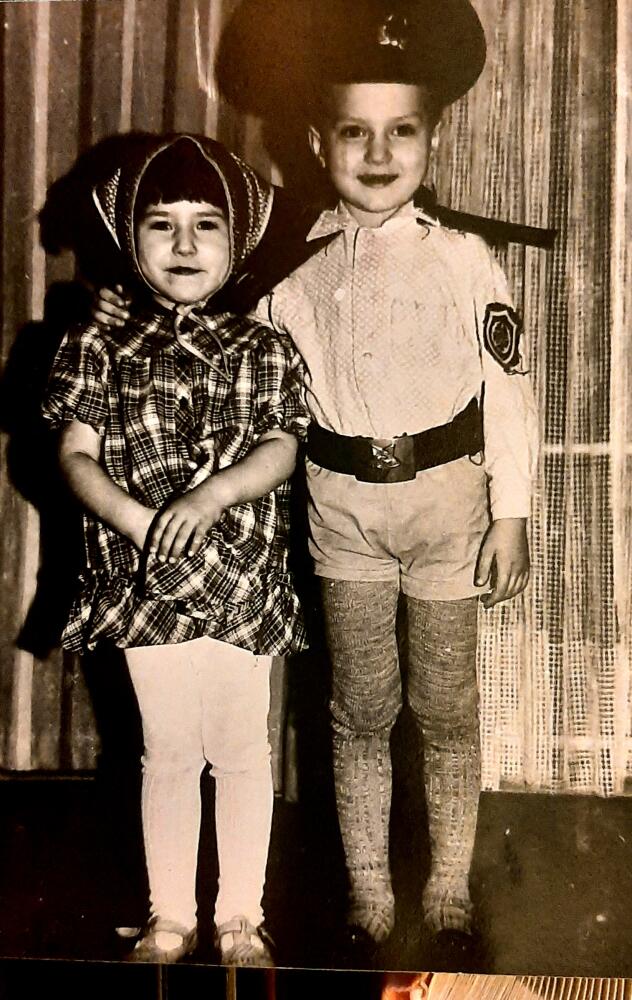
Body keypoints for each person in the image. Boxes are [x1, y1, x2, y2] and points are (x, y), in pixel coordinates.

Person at [93, 0, 540, 966]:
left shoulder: (466, 259)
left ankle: (450, 885)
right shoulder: (287, 269)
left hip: (449, 506)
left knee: (447, 706)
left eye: (402, 131)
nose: (378, 155)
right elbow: (227, 364)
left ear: (433, 137)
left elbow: (508, 391)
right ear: (314, 141)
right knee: (360, 709)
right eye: (352, 132)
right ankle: (369, 891)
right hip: (341, 516)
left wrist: (511, 514)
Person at [43, 134, 310, 966]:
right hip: (141, 579)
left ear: (239, 242)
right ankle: (170, 916)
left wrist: (213, 494)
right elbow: (74, 455)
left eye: (207, 225)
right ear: (131, 238)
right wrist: (134, 520)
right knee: (166, 750)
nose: (185, 244)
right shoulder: (98, 345)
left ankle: (239, 917)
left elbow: (282, 446)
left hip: (237, 575)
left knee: (240, 749)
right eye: (162, 224)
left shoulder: (263, 346)